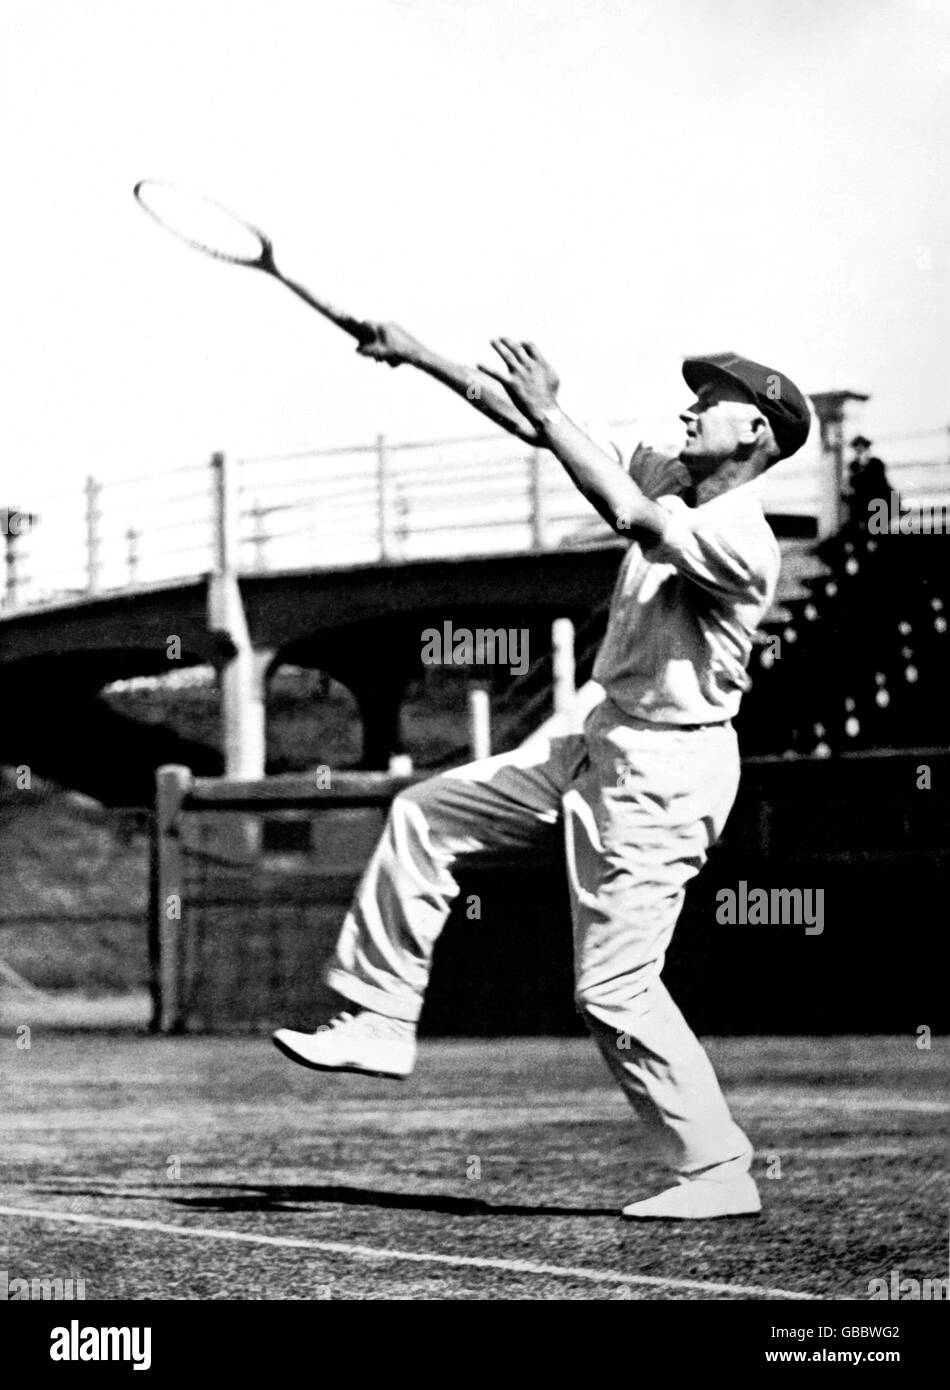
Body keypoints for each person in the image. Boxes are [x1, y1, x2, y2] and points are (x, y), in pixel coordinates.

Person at [273, 327, 811, 1220]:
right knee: (425, 813)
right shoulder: (670, 471)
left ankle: (716, 1171)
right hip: (598, 731)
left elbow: (627, 518)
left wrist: (553, 407)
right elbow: (533, 421)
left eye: (708, 403)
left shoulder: (742, 540)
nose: (687, 408)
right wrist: (415, 353)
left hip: (666, 770)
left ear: (755, 432)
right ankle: (377, 1016)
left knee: (613, 989)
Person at [846, 435, 895, 533]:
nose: (859, 451)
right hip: (862, 505)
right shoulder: (854, 465)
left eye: (862, 448)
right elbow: (852, 483)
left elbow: (879, 481)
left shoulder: (876, 463)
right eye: (856, 449)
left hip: (878, 502)